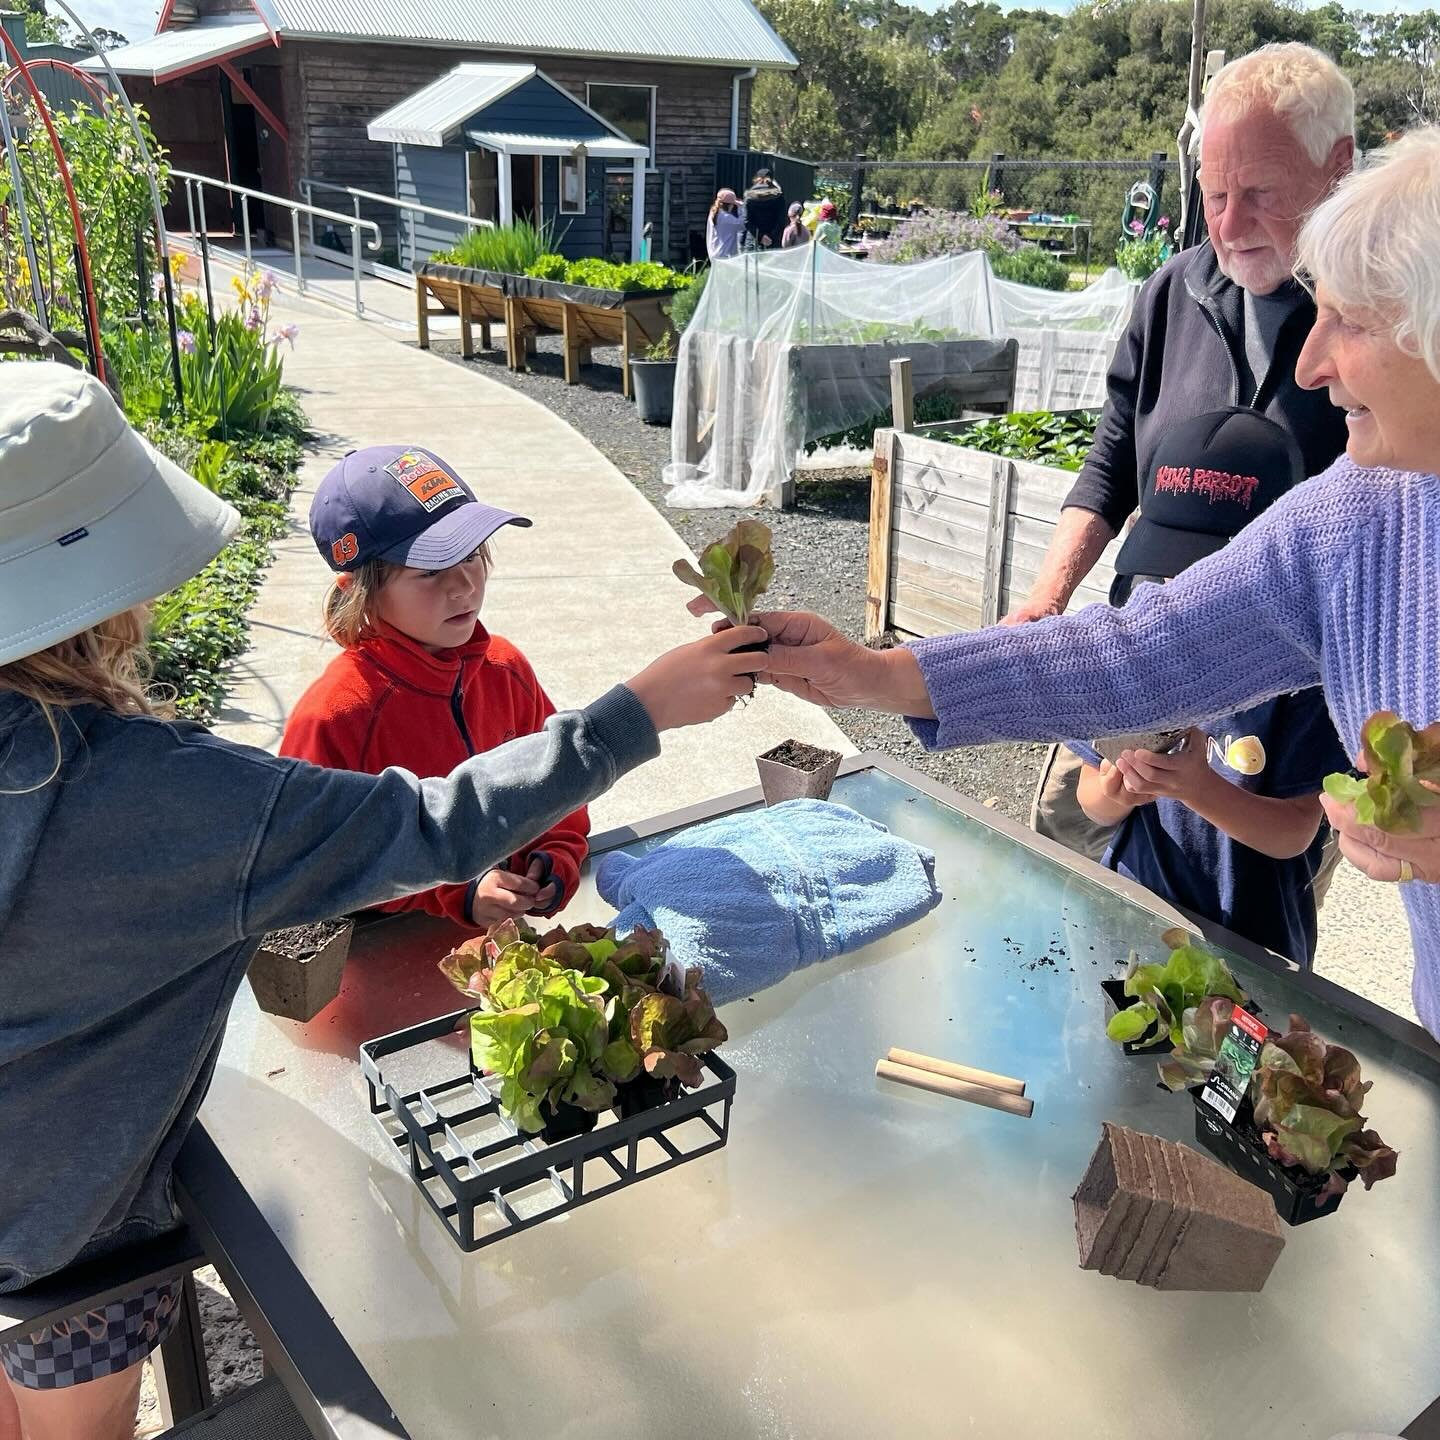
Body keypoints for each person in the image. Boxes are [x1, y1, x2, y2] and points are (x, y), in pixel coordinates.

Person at [0, 363, 766, 1440]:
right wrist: (634, 712)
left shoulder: (497, 669)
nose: (463, 588)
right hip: (64, 1224)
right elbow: (419, 832)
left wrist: (539, 860)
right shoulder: (164, 787)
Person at [744, 128, 1440, 1035]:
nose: (1311, 362)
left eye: (1348, 322)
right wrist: (868, 673)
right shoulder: (1366, 511)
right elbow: (1137, 655)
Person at [1010, 44, 1356, 862]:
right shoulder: (1172, 291)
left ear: (1339, 167)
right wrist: (1046, 598)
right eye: (1214, 193)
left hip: (1285, 708)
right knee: (1066, 846)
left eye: (1260, 194)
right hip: (1141, 653)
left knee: (1239, 922)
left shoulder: (1384, 321)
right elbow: (1110, 461)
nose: (1228, 226)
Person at [1066, 409, 1349, 966]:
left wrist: (1197, 786)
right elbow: (1090, 800)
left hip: (1252, 942)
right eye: (1168, 570)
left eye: (1206, 573)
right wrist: (1120, 794)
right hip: (1132, 914)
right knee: (1116, 1044)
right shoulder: (1136, 644)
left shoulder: (1305, 674)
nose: (1181, 594)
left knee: (1233, 1055)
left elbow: (1295, 834)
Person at [280, 447, 586, 927]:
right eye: (429, 571)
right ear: (356, 592)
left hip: (508, 958)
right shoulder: (334, 716)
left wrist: (555, 855)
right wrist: (455, 893)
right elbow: (311, 870)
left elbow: (560, 784)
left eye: (472, 555)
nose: (464, 586)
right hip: (391, 960)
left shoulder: (505, 668)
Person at [743, 167, 786, 248]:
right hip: (773, 241)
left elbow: (746, 221)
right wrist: (771, 236)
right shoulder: (778, 196)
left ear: (756, 179)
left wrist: (760, 236)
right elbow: (781, 220)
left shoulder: (749, 196)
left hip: (753, 240)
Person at [706, 188, 746, 261]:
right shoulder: (726, 217)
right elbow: (743, 224)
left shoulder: (713, 213)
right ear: (729, 205)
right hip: (725, 255)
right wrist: (741, 208)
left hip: (715, 252)